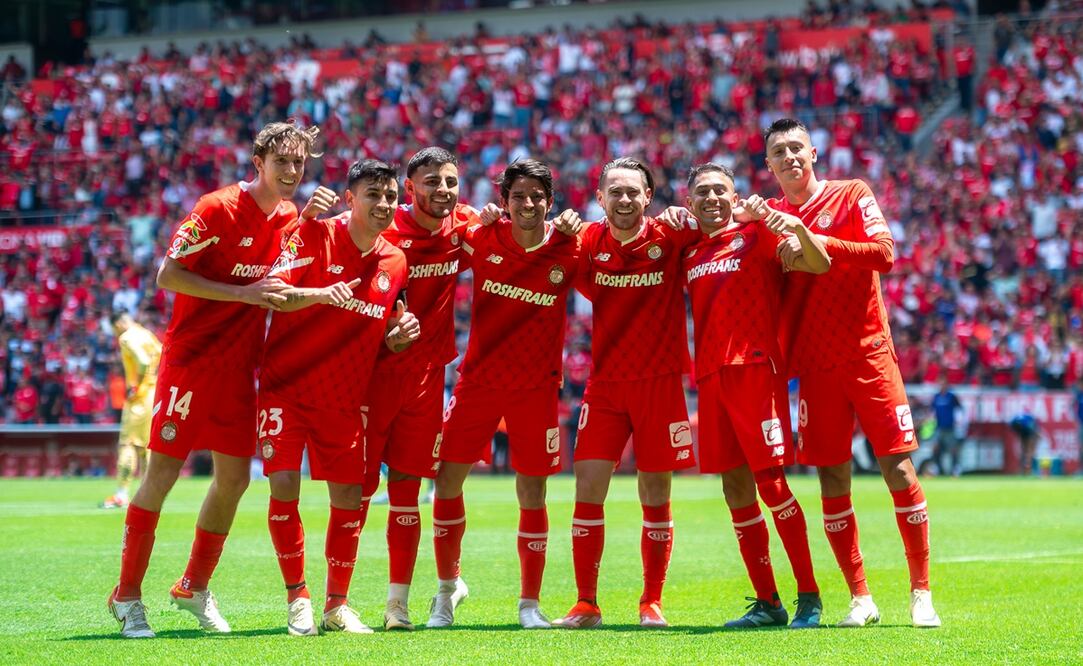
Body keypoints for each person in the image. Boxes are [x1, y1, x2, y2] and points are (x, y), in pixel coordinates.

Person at [107, 122, 332, 639]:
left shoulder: (292, 217)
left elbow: (280, 281)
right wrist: (246, 293)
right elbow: (168, 274)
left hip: (240, 368)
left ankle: (193, 586)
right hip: (191, 362)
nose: (293, 173)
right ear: (258, 162)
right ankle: (127, 598)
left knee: (234, 480)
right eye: (283, 163)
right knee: (161, 476)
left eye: (300, 164)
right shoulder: (217, 207)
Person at [763, 118, 940, 628]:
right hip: (814, 366)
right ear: (769, 165)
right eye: (780, 152)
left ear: (814, 153)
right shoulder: (768, 216)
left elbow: (885, 254)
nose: (791, 157)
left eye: (798, 147)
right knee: (832, 477)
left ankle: (921, 592)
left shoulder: (851, 194)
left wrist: (814, 240)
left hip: (868, 353)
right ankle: (860, 597)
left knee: (899, 470)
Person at [258, 159, 418, 636]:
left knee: (350, 497)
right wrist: (322, 295)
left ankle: (336, 606)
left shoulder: (396, 261)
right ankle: (297, 600)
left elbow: (390, 328)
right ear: (350, 199)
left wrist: (401, 333)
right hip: (286, 388)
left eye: (391, 196)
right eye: (374, 194)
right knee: (285, 486)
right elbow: (273, 294)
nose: (384, 204)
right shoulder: (312, 233)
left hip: (344, 399)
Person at [428, 159, 582, 629]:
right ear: (505, 201)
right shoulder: (483, 236)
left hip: (537, 389)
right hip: (478, 383)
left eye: (537, 196)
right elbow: (438, 224)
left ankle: (529, 605)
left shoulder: (570, 246)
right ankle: (447, 589)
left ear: (550, 202)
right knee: (447, 482)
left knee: (532, 492)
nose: (528, 203)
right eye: (518, 196)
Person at [681, 163, 829, 629]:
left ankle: (809, 596)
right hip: (709, 375)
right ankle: (768, 603)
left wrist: (766, 219)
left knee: (772, 483)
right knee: (735, 488)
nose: (712, 199)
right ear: (690, 202)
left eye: (720, 191)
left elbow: (815, 261)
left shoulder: (758, 236)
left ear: (735, 196)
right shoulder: (688, 251)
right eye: (702, 192)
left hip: (754, 370)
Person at [553, 157, 699, 629]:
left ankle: (651, 602)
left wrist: (690, 212)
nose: (624, 199)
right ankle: (586, 604)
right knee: (587, 489)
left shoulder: (672, 234)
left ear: (648, 196)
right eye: (614, 191)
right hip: (607, 386)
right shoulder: (586, 242)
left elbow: (717, 222)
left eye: (633, 191)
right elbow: (541, 248)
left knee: (656, 492)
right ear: (600, 198)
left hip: (660, 384)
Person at [363, 147, 480, 631]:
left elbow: (519, 230)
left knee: (408, 491)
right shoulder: (383, 230)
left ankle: (398, 606)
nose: (443, 191)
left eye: (451, 182)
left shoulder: (465, 225)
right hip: (369, 377)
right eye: (432, 182)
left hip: (427, 379)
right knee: (355, 491)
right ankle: (330, 602)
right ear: (410, 189)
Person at [101, 311, 162, 509]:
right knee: (146, 447)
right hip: (156, 394)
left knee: (128, 443)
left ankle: (121, 494)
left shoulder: (127, 338)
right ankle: (148, 494)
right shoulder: (146, 334)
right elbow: (162, 355)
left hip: (140, 398)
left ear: (118, 324)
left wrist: (137, 386)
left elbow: (143, 361)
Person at [932, 378, 964, 477]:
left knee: (953, 449)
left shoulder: (951, 396)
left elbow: (960, 409)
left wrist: (959, 421)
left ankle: (955, 468)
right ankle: (938, 468)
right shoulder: (936, 397)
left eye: (943, 384)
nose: (941, 386)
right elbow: (932, 411)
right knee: (936, 448)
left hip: (950, 428)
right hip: (939, 428)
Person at [1010, 410, 1039, 475]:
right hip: (1026, 428)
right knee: (1026, 451)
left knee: (1029, 450)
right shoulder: (1013, 423)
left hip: (1029, 428)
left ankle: (1027, 469)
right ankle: (1025, 469)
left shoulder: (1028, 424)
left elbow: (1034, 432)